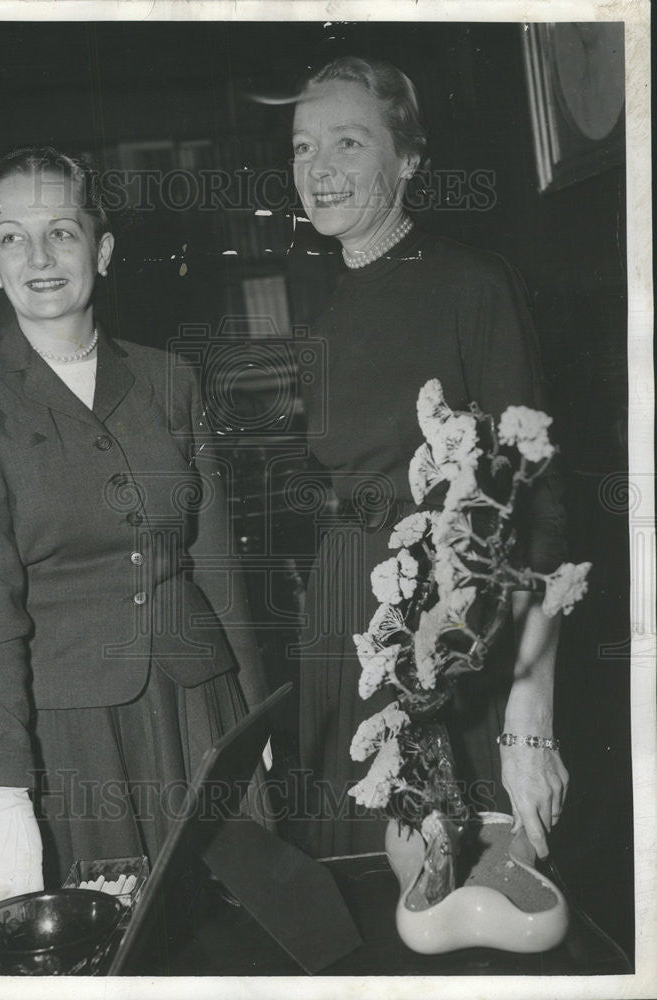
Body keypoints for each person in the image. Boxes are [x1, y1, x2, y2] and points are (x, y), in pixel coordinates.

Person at [0, 147, 268, 908]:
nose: (39, 257)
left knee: (240, 930)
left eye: (62, 233)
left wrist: (253, 721)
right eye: (13, 237)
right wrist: (4, 787)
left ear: (101, 251)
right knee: (112, 943)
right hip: (72, 730)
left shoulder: (169, 378)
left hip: (199, 705)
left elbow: (215, 563)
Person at [290, 56, 569, 859]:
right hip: (343, 614)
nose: (319, 169)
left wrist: (528, 717)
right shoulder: (330, 304)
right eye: (303, 148)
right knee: (362, 894)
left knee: (471, 896)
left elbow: (541, 516)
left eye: (347, 143)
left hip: (456, 631)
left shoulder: (472, 285)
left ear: (407, 160)